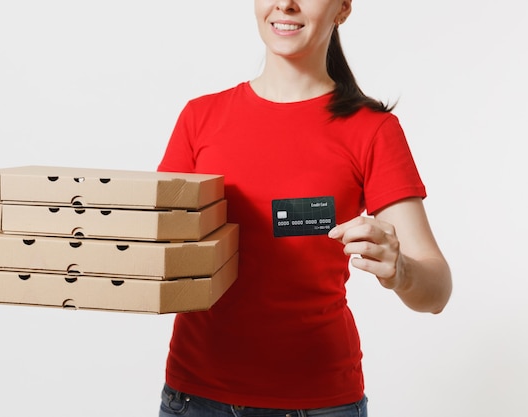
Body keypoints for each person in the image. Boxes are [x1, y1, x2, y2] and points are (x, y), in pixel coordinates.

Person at [157, 0, 452, 416]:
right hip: (195, 398)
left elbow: (436, 292)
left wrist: (400, 269)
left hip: (320, 403)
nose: (285, 3)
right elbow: (157, 251)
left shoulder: (373, 130)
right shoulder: (200, 118)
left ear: (343, 7)